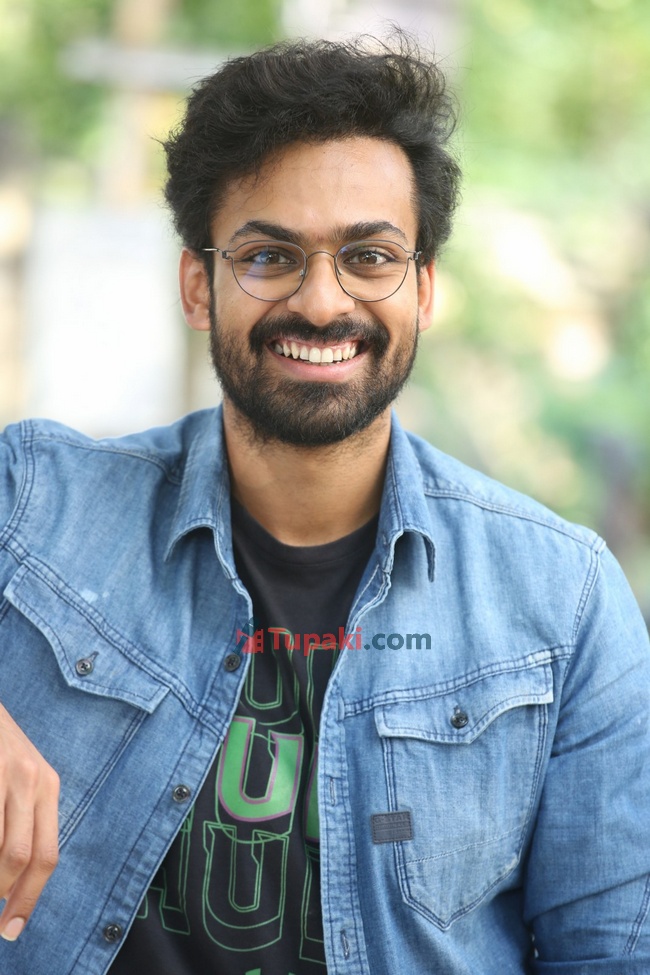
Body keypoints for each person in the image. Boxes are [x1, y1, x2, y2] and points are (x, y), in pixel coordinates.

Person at [0, 33, 648, 975]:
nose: (320, 301)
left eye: (369, 256)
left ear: (424, 289)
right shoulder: (34, 505)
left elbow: (614, 952)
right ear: (198, 285)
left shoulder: (564, 600)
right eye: (269, 256)